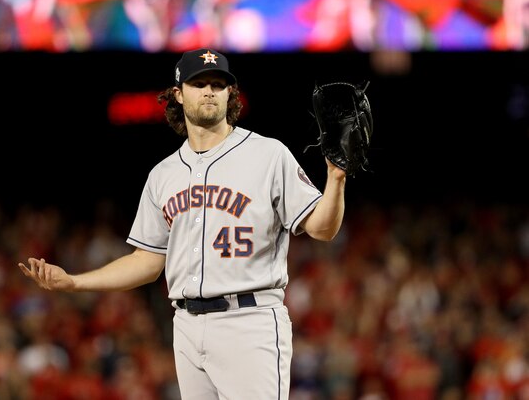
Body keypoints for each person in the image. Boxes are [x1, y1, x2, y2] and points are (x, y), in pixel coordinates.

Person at [18, 48, 347, 399]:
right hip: (187, 325)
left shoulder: (268, 154)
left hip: (249, 323)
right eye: (199, 83)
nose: (209, 91)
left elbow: (322, 228)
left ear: (229, 94)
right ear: (178, 93)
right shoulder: (163, 175)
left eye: (219, 85)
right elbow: (146, 262)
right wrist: (73, 282)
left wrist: (337, 178)